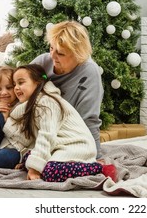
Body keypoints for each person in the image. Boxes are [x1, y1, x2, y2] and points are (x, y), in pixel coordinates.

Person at [8, 64, 114, 182]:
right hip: (59, 145)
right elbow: (31, 138)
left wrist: (34, 168)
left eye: (21, 83)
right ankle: (43, 163)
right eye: (14, 84)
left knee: (50, 172)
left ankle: (99, 167)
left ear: (37, 83)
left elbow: (47, 135)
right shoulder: (31, 106)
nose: (16, 88)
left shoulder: (47, 102)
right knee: (29, 156)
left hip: (77, 146)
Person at [31, 20, 104, 159]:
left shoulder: (89, 72)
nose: (52, 56)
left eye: (61, 53)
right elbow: (16, 86)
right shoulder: (42, 62)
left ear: (78, 54)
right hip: (35, 129)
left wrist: (97, 157)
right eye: (51, 48)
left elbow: (89, 119)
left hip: (66, 136)